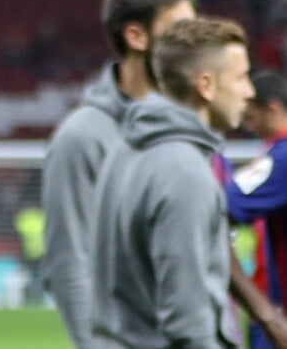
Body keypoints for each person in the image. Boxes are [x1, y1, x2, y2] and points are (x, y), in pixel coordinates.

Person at [41, 0, 196, 347]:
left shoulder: (192, 127)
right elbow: (68, 263)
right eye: (181, 29)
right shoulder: (83, 136)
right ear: (136, 37)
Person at [90, 17, 254, 347]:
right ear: (206, 85)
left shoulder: (126, 148)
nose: (249, 91)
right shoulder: (184, 171)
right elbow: (187, 321)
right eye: (241, 77)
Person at [226, 69, 287, 348]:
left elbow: (220, 205)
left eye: (250, 117)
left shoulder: (282, 158)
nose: (248, 127)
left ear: (272, 109)